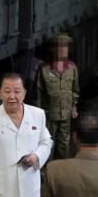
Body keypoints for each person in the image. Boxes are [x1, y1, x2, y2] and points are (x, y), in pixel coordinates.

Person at [35, 33, 80, 161]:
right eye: (58, 46)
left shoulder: (72, 68)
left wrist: (74, 107)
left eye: (64, 46)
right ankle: (46, 171)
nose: (62, 50)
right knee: (47, 142)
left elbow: (75, 90)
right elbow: (38, 94)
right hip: (50, 115)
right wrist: (39, 114)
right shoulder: (44, 69)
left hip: (66, 114)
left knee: (64, 143)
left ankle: (61, 168)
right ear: (52, 49)